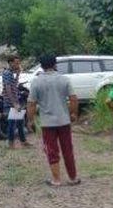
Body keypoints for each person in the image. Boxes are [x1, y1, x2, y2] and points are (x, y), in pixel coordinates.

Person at [27, 54, 80, 187]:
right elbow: (73, 98)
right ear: (55, 64)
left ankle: (56, 180)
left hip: (47, 123)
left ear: (41, 66)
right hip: (64, 121)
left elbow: (31, 104)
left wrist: (30, 120)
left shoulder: (36, 82)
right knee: (68, 149)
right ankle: (72, 178)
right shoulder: (64, 79)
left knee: (51, 150)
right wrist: (73, 114)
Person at [2, 55, 30, 148]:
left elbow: (14, 84)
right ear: (10, 63)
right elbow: (8, 88)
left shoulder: (11, 73)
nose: (18, 65)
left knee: (19, 122)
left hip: (15, 100)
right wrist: (14, 103)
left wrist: (18, 74)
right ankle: (11, 143)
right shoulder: (7, 73)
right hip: (11, 102)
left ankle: (23, 141)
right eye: (16, 63)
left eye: (18, 63)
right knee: (12, 123)